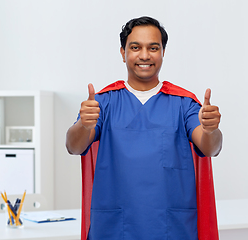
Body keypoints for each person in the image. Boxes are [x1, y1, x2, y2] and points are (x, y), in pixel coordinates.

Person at [66, 16, 222, 240]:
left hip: (170, 228)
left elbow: (209, 148)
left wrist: (210, 130)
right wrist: (83, 124)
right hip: (115, 228)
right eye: (135, 47)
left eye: (153, 47)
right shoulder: (104, 102)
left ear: (163, 52)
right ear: (123, 53)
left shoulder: (184, 103)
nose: (145, 55)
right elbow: (74, 146)